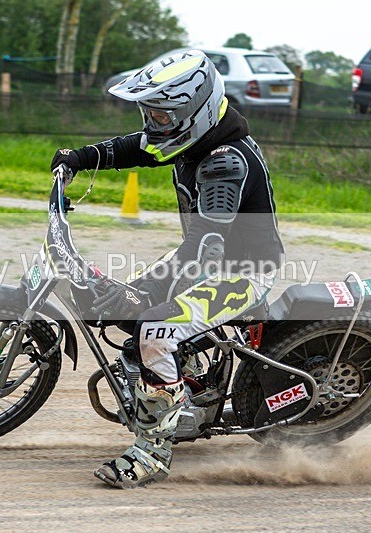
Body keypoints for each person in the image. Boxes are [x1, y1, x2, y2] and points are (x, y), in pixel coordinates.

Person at [51, 50, 284, 489]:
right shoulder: (195, 137)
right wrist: (80, 157)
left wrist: (148, 300)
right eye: (149, 112)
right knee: (125, 302)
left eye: (160, 114)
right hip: (203, 256)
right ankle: (185, 374)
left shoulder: (223, 163)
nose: (152, 123)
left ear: (191, 113)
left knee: (155, 328)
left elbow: (204, 250)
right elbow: (136, 148)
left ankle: (152, 452)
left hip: (242, 272)